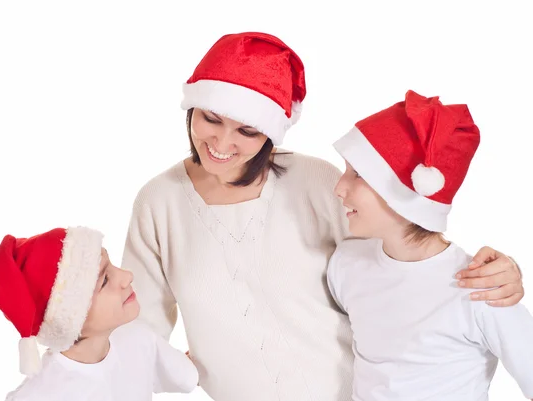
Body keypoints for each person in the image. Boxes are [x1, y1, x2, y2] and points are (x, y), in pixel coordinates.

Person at [120, 32, 524, 401]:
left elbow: (403, 262)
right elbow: (137, 336)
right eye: (210, 119)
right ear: (191, 107)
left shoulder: (315, 181)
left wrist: (497, 274)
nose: (222, 143)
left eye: (247, 130)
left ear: (271, 132)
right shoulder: (158, 204)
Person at [327, 90, 533, 400]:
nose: (339, 188)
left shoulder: (481, 287)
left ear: (403, 192)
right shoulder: (346, 264)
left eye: (358, 174)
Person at [0, 226, 198, 401]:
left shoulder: (140, 339)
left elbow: (189, 376)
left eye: (112, 265)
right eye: (105, 279)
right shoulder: (39, 395)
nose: (126, 276)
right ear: (68, 318)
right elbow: (188, 376)